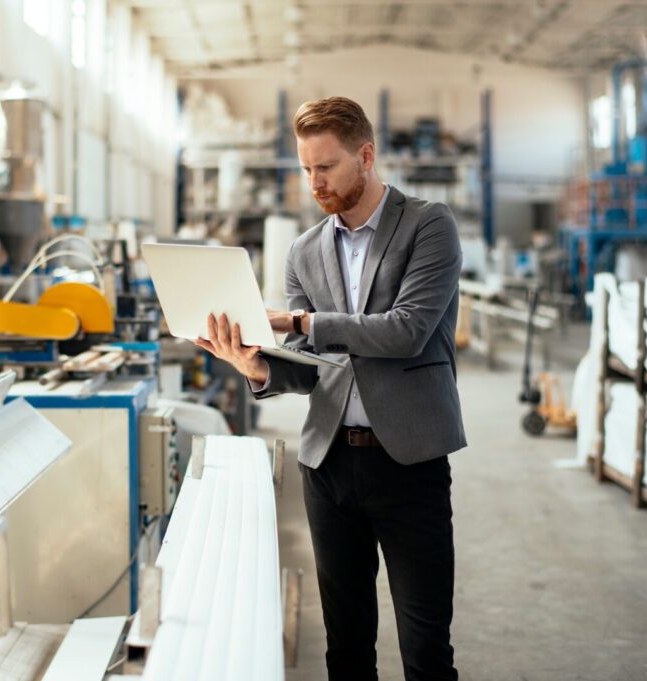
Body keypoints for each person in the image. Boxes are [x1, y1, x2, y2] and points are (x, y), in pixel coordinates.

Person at [195, 96, 466, 681]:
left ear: (365, 156)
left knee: (425, 649)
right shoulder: (304, 250)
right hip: (328, 465)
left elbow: (408, 330)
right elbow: (312, 365)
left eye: (326, 167)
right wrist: (256, 367)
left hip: (410, 462)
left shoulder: (428, 225)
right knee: (345, 648)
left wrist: (297, 321)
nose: (314, 182)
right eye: (305, 169)